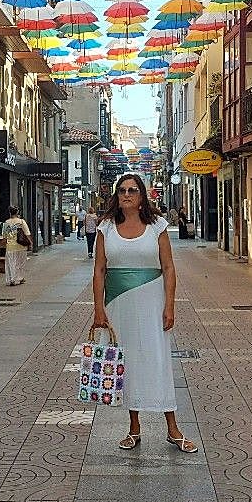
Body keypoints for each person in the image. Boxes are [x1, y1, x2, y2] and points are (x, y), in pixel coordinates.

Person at [92, 174, 197, 454]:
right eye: (122, 190)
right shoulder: (106, 228)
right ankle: (134, 428)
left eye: (133, 190)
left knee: (158, 360)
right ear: (117, 195)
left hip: (152, 302)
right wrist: (98, 308)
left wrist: (170, 304)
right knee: (128, 363)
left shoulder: (157, 226)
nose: (127, 194)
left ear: (141, 196)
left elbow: (169, 268)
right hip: (118, 305)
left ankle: (173, 429)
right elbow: (100, 270)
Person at [1, 207, 31, 287]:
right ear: (17, 212)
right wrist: (30, 243)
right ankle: (19, 278)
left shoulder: (6, 223)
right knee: (20, 263)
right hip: (21, 246)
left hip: (10, 246)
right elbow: (27, 233)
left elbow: (4, 237)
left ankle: (11, 279)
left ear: (10, 213)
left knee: (11, 263)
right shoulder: (21, 221)